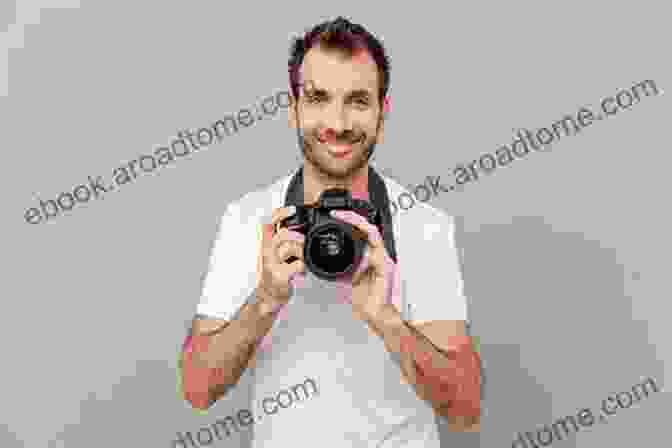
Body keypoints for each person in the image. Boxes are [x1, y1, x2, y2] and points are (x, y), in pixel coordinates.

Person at [179, 16, 482, 447]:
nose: (337, 123)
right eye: (318, 98)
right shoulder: (249, 219)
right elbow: (196, 390)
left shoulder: (422, 225)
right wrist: (264, 301)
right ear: (293, 108)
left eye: (358, 100)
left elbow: (467, 410)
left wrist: (387, 319)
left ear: (383, 112)